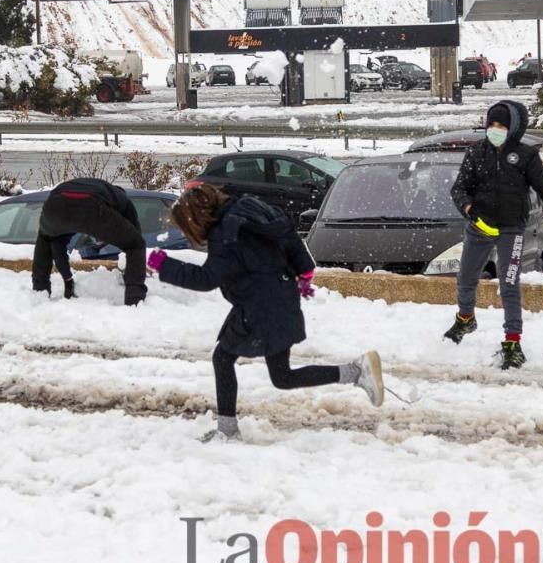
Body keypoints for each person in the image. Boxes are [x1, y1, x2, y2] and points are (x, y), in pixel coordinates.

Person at [147, 184, 384, 442]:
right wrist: (303, 271)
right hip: (275, 295)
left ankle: (228, 430)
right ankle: (355, 372)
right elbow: (287, 234)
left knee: (224, 359)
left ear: (195, 218)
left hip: (261, 306)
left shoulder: (226, 234)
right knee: (280, 375)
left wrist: (164, 264)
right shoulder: (247, 208)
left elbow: (206, 278)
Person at [445, 100, 543, 369]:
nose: (495, 129)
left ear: (512, 128)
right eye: (491, 124)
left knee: (509, 284)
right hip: (480, 225)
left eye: (501, 125)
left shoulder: (525, 156)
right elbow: (459, 189)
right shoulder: (477, 153)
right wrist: (470, 210)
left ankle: (512, 341)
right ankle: (465, 319)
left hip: (511, 229)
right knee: (466, 277)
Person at [32, 178, 147, 306]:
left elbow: (56, 244)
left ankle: (39, 291)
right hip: (91, 205)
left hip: (55, 204)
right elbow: (136, 238)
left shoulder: (99, 187)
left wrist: (67, 277)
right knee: (136, 245)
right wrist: (134, 264)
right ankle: (135, 301)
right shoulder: (122, 199)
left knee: (46, 238)